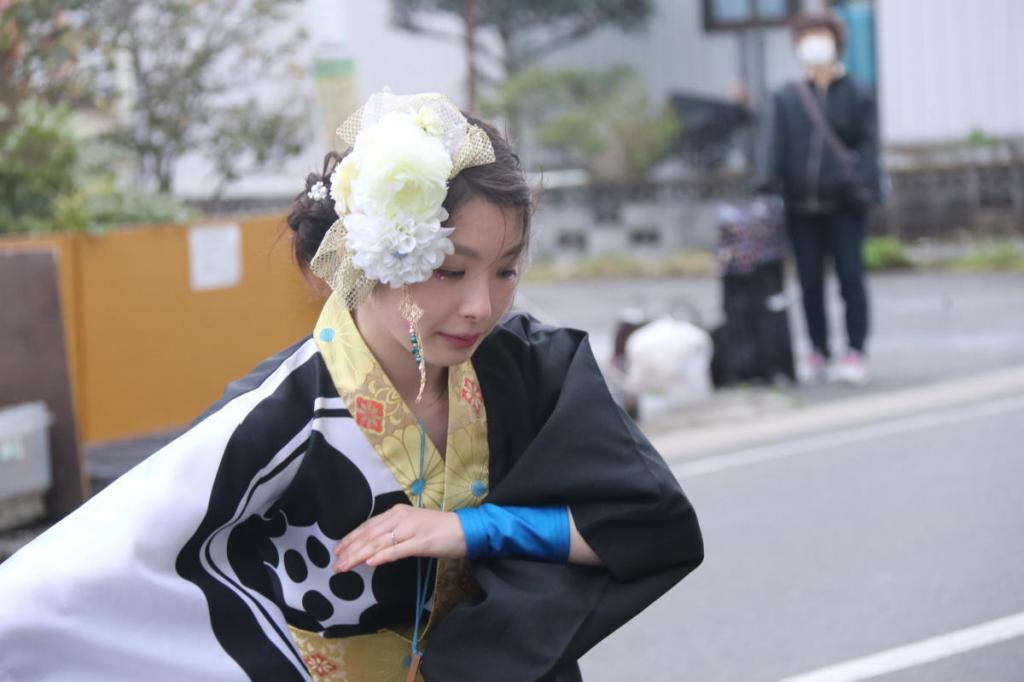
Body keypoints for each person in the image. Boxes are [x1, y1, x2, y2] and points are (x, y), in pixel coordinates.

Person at [0, 92, 703, 681]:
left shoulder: (533, 368)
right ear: (378, 255)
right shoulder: (280, 411)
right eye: (451, 271)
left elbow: (644, 527)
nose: (482, 307)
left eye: (506, 270)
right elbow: (75, 579)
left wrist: (469, 528)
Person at [758, 11, 881, 386]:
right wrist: (764, 186)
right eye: (807, 34)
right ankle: (818, 349)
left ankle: (855, 350)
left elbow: (870, 147)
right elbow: (771, 147)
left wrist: (862, 186)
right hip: (800, 207)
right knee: (809, 282)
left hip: (845, 206)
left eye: (820, 33)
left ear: (836, 41)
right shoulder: (786, 96)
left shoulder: (857, 93)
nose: (814, 41)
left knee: (850, 278)